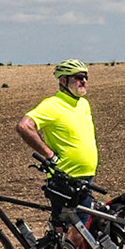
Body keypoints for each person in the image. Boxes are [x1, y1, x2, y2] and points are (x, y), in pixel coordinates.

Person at [17, 58, 98, 222]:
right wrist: (49, 155)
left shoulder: (84, 104)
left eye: (86, 77)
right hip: (64, 179)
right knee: (68, 234)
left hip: (86, 177)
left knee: (82, 232)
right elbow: (24, 126)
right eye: (79, 77)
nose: (84, 81)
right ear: (63, 80)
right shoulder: (52, 105)